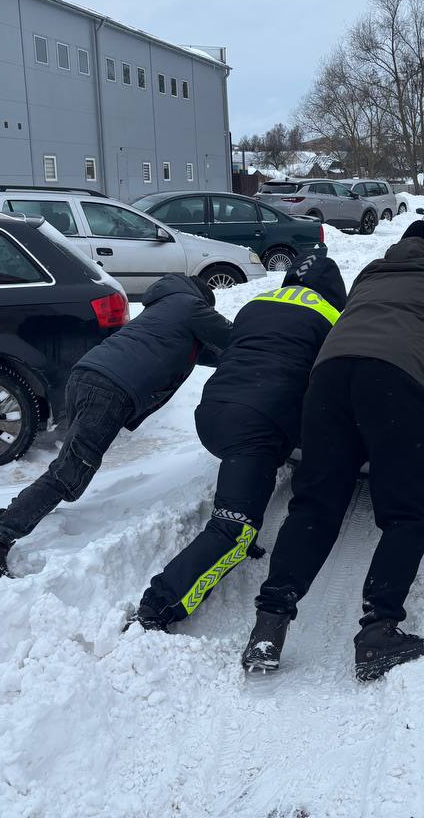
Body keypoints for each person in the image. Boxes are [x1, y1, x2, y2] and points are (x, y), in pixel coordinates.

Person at [241, 220, 424, 681]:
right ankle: (379, 632)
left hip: (328, 379)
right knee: (405, 513)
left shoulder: (371, 272)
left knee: (314, 505)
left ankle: (268, 628)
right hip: (396, 382)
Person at [0, 274, 232, 580]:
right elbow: (236, 338)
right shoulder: (190, 305)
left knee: (69, 466)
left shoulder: (164, 309)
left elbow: (212, 353)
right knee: (69, 472)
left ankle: (12, 519)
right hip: (110, 389)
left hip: (88, 376)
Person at [130, 256, 347, 631]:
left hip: (213, 413)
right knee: (234, 527)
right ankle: (160, 605)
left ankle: (241, 527)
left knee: (246, 483)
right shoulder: (330, 316)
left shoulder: (257, 303)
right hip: (256, 422)